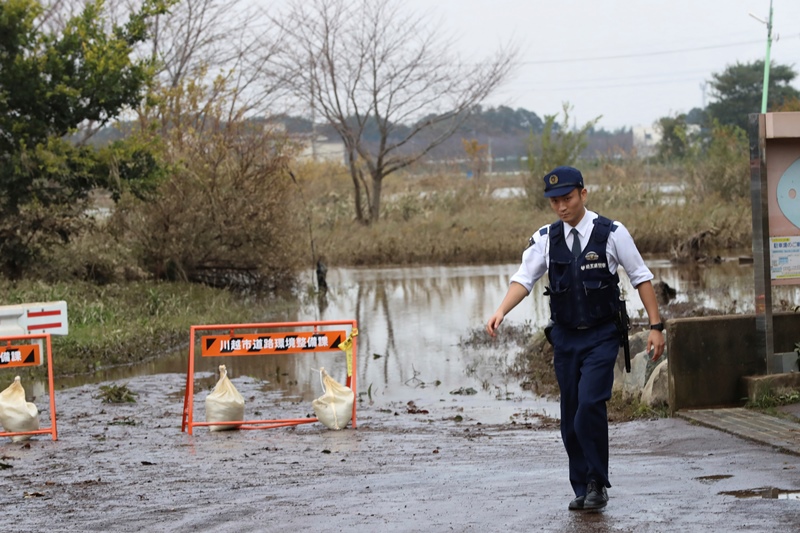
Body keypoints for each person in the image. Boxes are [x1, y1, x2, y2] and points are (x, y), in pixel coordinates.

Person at [486, 165, 665, 512]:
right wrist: (501, 311)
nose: (561, 207)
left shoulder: (612, 233)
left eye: (567, 198)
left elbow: (641, 277)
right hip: (566, 340)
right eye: (554, 201)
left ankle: (598, 481)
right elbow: (524, 279)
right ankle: (582, 486)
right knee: (570, 417)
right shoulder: (545, 239)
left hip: (602, 336)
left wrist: (656, 327)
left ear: (583, 194)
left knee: (588, 406)